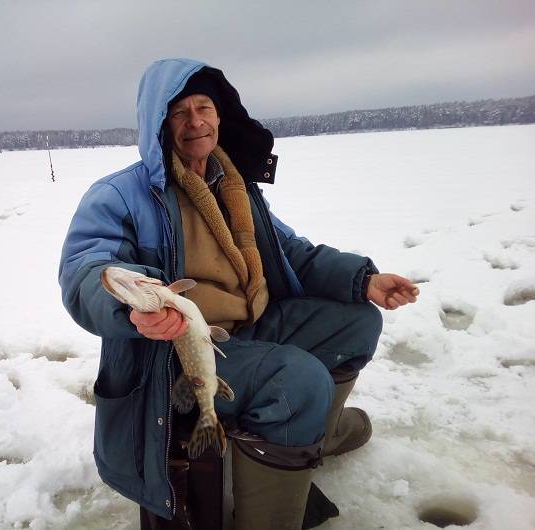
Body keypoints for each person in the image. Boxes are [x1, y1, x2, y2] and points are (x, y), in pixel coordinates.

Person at [59, 58, 419, 530]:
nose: (195, 122)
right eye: (179, 112)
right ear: (157, 124)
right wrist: (131, 309)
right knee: (299, 380)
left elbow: (291, 251)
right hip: (178, 354)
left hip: (252, 326)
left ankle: (314, 434)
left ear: (220, 113)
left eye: (204, 107)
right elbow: (86, 268)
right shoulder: (121, 195)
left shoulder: (234, 185)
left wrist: (362, 279)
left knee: (359, 322)